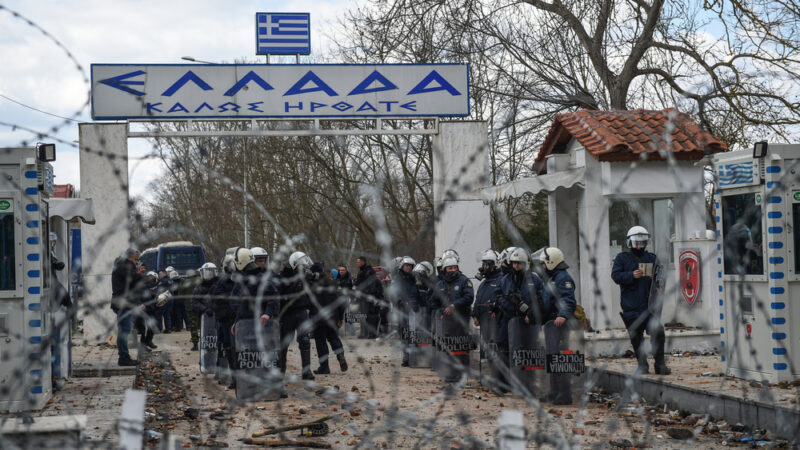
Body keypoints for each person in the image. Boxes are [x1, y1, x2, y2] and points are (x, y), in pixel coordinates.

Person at [611, 226, 670, 375]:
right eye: (636, 243)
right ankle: (642, 365)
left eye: (642, 243)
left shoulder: (652, 258)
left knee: (658, 333)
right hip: (631, 306)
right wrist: (631, 275)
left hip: (650, 305)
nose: (639, 246)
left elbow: (662, 278)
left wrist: (655, 278)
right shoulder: (622, 258)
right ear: (630, 242)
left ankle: (660, 365)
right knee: (636, 337)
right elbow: (616, 276)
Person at [497, 248, 543, 393]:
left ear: (526, 264)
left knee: (528, 350)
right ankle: (504, 383)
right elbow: (499, 296)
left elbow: (540, 298)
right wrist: (511, 305)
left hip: (528, 322)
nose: (516, 266)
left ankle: (527, 383)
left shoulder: (535, 280)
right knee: (503, 348)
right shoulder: (505, 280)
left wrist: (530, 311)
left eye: (519, 263)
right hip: (508, 319)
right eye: (514, 263)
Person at [433, 255, 474, 382]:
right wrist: (440, 311)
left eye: (454, 267)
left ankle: (463, 374)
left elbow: (469, 297)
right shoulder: (440, 284)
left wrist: (454, 305)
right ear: (445, 269)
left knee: (461, 346)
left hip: (461, 319)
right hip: (447, 321)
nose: (452, 270)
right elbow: (435, 300)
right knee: (449, 347)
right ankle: (451, 373)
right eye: (450, 268)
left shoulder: (464, 281)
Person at [276, 251, 316, 380]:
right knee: (284, 343)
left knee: (305, 341)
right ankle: (280, 371)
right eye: (301, 267)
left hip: (301, 311)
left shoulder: (303, 276)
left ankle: (306, 370)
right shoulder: (282, 277)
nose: (303, 269)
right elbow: (281, 295)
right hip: (287, 314)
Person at [309, 262, 348, 374]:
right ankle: (340, 355)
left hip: (318, 318)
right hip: (333, 317)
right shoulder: (333, 284)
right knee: (334, 337)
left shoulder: (312, 286)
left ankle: (324, 366)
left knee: (321, 342)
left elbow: (308, 302)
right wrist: (340, 318)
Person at [110, 248, 144, 366]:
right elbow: (133, 279)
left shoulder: (123, 265)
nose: (136, 262)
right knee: (124, 331)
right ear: (130, 257)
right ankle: (123, 357)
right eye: (136, 260)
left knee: (124, 330)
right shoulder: (123, 266)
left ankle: (124, 356)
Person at [213, 253, 238, 388]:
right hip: (226, 320)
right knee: (230, 349)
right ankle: (234, 378)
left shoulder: (241, 280)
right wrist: (232, 296)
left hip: (240, 318)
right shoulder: (221, 282)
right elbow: (217, 298)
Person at [393, 256, 419, 367]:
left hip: (413, 309)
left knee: (414, 333)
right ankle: (406, 358)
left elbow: (417, 291)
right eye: (406, 265)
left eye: (410, 266)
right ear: (402, 266)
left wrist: (414, 302)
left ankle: (414, 357)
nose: (408, 268)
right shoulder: (397, 278)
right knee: (404, 333)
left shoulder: (415, 278)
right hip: (402, 309)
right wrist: (401, 302)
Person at [354, 256, 384, 339]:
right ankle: (366, 333)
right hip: (364, 296)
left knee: (371, 315)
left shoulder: (368, 272)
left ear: (363, 262)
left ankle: (372, 334)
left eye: (358, 262)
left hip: (370, 297)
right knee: (365, 315)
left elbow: (370, 286)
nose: (357, 263)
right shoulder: (362, 271)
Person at [192, 263, 219, 351]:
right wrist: (205, 309)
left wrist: (215, 308)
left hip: (218, 316)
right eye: (206, 273)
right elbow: (194, 302)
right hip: (204, 317)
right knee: (206, 338)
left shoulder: (219, 286)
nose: (208, 275)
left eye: (210, 273)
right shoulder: (199, 288)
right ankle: (205, 357)